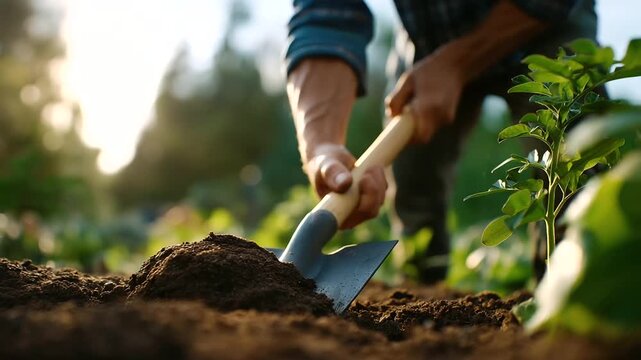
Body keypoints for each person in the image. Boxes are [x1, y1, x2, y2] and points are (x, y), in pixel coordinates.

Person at [284, 0, 598, 282]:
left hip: (543, 21)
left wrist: (455, 64)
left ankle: (576, 293)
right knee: (414, 186)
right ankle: (423, 290)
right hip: (430, 39)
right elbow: (326, 14)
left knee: (576, 172)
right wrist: (320, 146)